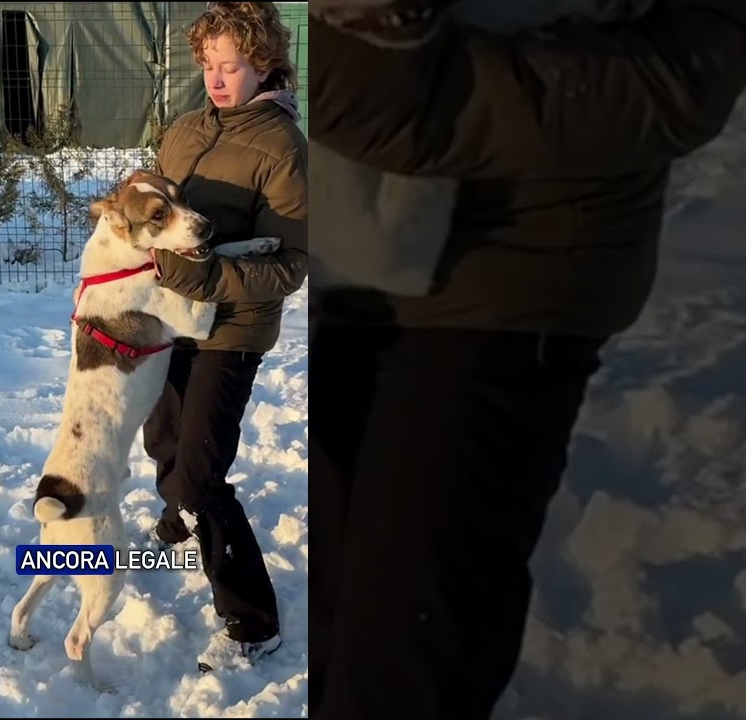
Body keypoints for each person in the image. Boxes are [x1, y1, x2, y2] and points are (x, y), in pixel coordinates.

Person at [305, 1, 746, 718]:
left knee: (404, 650)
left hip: (508, 281)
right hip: (345, 253)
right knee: (317, 623)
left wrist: (429, 92)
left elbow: (692, 69)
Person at [137, 1, 308, 672]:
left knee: (201, 475)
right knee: (163, 438)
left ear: (263, 65)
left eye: (230, 66)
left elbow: (289, 264)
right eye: (208, 64)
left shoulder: (282, 148)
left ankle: (252, 622)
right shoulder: (184, 131)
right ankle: (178, 525)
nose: (214, 78)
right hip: (168, 315)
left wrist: (205, 276)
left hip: (230, 328)